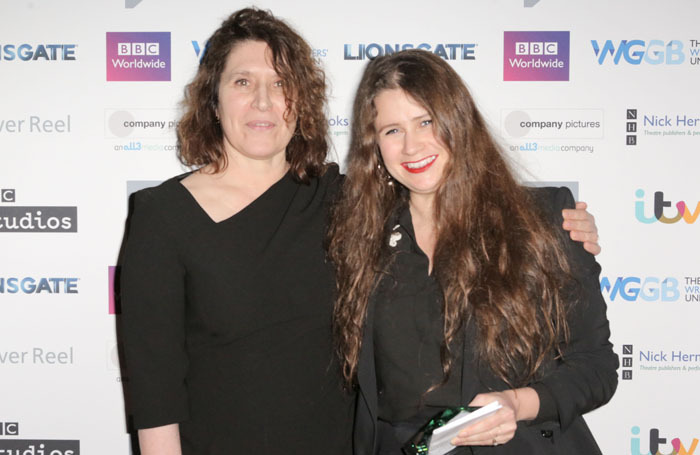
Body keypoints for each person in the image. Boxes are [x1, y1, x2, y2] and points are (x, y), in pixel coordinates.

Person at [119, 8, 602, 455]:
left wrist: (555, 224)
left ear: (300, 100)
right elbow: (155, 389)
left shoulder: (342, 198)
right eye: (243, 81)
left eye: (281, 83)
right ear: (213, 97)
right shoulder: (162, 215)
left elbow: (452, 189)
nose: (263, 100)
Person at [327, 49, 618, 455]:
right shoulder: (361, 233)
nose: (412, 146)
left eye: (426, 121)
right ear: (374, 144)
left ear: (458, 121)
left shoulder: (542, 220)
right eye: (392, 130)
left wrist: (518, 404)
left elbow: (596, 368)